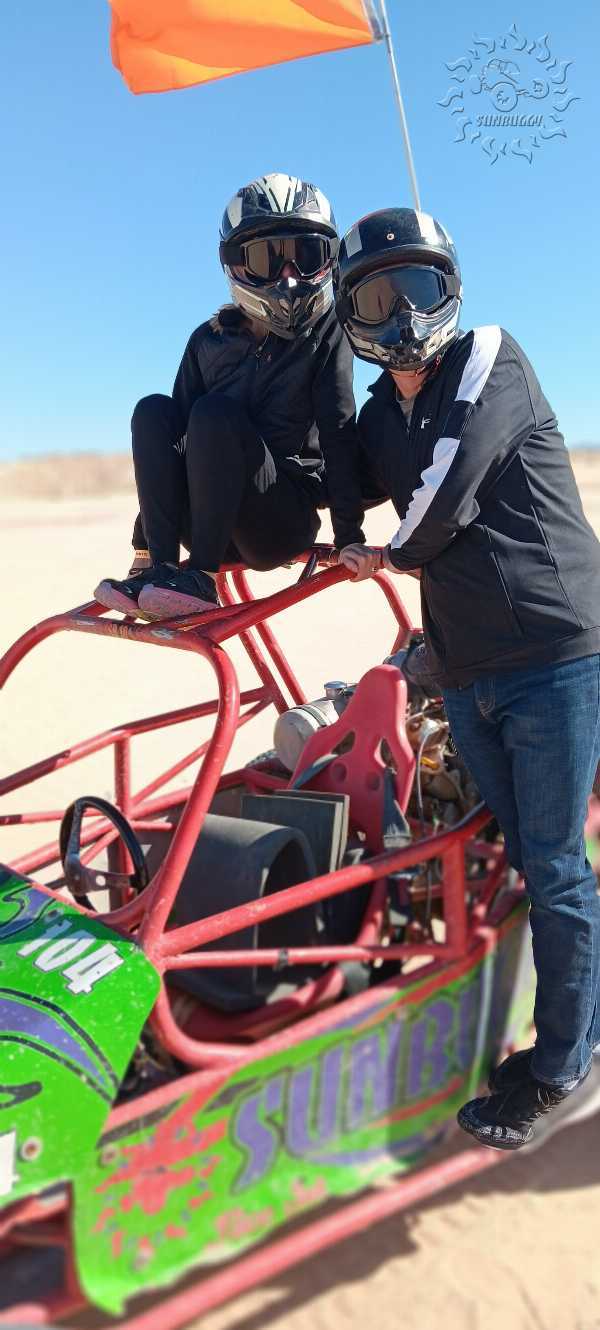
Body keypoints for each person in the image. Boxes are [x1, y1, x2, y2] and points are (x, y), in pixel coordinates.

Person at [333, 206, 600, 1150]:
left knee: (556, 868)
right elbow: (330, 465)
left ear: (449, 287)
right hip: (469, 667)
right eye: (377, 298)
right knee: (528, 856)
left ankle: (563, 1064)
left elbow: (446, 493)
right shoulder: (382, 412)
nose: (403, 315)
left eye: (418, 287)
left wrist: (381, 554)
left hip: (554, 656)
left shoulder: (492, 357)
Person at [94, 173, 365, 619]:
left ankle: (201, 579)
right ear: (236, 264)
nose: (288, 276)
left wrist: (349, 535)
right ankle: (158, 567)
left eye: (305, 256)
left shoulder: (326, 332)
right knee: (153, 410)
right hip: (208, 523)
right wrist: (143, 542)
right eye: (267, 259)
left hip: (279, 524)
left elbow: (338, 431)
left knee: (214, 414)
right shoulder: (208, 340)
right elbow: (171, 444)